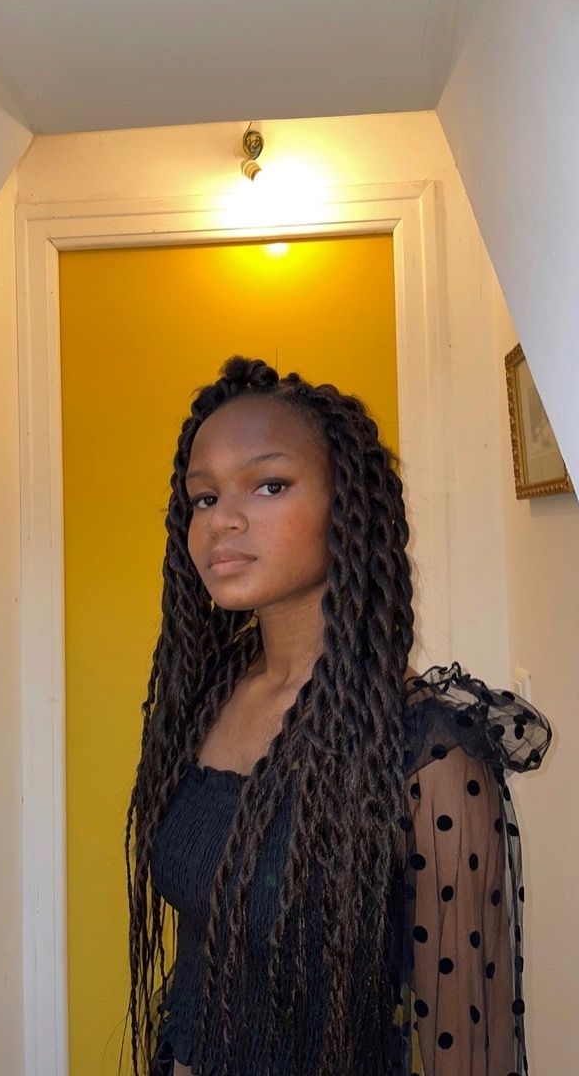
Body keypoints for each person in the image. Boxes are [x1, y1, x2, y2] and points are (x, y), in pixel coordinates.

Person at [124, 357, 551, 1076]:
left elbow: (469, 1051)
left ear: (347, 506)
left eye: (269, 485)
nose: (222, 519)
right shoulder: (210, 695)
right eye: (204, 497)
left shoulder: (428, 752)